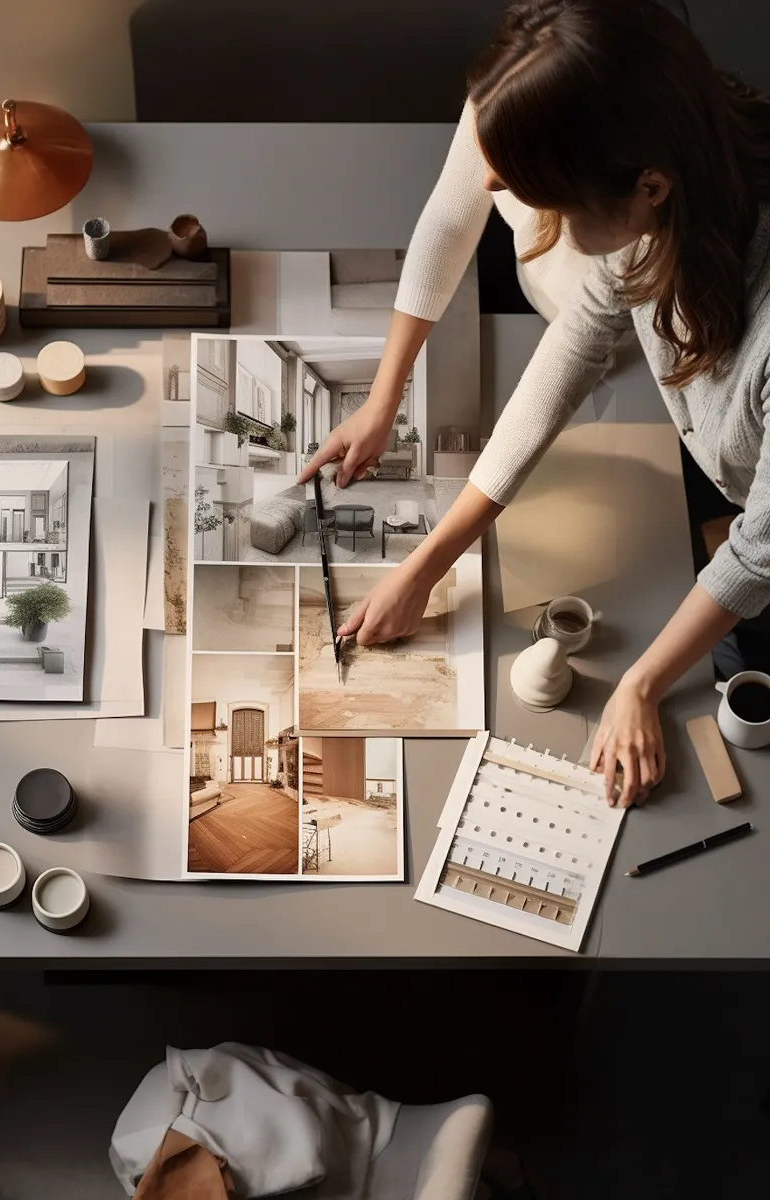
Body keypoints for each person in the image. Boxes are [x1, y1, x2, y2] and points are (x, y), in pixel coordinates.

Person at [299, 0, 770, 808]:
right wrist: (427, 565)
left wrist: (643, 684)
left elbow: (759, 550)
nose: (513, 209)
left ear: (646, 186)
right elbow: (573, 351)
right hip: (725, 473)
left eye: (545, 199)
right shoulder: (671, 184)